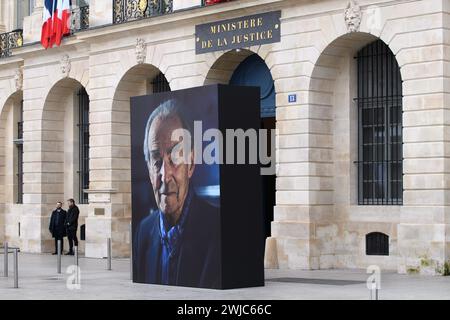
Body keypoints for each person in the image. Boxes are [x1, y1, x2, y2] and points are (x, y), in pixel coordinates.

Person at [134, 99, 220, 289]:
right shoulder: (144, 231)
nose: (165, 176)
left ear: (191, 163)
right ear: (148, 169)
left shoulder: (218, 231)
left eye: (174, 157)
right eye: (156, 159)